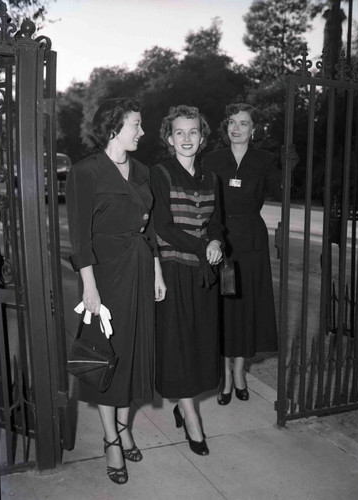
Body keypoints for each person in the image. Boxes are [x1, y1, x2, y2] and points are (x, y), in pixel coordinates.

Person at [66, 98, 166, 485]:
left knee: (134, 350)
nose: (141, 132)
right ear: (113, 127)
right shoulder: (85, 171)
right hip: (104, 274)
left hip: (140, 267)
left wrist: (156, 271)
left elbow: (151, 228)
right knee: (108, 353)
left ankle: (124, 427)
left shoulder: (142, 170)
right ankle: (111, 440)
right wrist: (89, 287)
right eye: (135, 125)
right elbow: (79, 236)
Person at [150, 105, 223, 456]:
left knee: (198, 344)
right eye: (179, 132)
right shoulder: (160, 174)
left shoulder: (212, 179)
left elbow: (218, 224)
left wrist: (217, 243)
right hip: (174, 269)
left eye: (193, 131)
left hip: (203, 274)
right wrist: (202, 244)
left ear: (203, 137)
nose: (186, 138)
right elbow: (162, 226)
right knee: (178, 345)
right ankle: (191, 419)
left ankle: (184, 404)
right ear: (169, 138)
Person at [204, 102, 283, 406]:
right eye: (233, 123)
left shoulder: (264, 160)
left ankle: (239, 372)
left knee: (245, 307)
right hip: (220, 240)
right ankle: (224, 375)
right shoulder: (211, 159)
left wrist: (288, 168)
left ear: (254, 129)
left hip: (251, 242)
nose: (237, 128)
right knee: (223, 309)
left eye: (244, 123)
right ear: (226, 128)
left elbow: (283, 190)